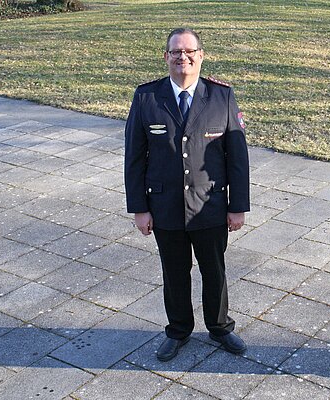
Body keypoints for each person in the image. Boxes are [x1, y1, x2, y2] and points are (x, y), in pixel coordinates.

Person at [124, 28, 250, 361]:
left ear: (201, 55)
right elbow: (134, 157)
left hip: (209, 205)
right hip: (164, 206)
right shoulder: (147, 98)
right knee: (174, 272)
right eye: (176, 52)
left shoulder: (221, 97)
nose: (183, 57)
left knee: (215, 270)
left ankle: (220, 327)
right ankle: (178, 330)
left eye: (189, 51)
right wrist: (139, 208)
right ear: (165, 57)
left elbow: (237, 158)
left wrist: (237, 207)